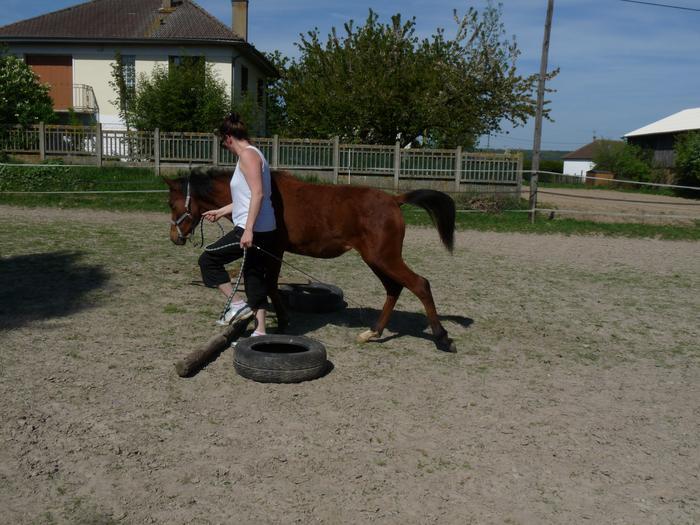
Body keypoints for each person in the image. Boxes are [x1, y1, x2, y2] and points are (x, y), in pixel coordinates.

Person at [198, 113, 277, 336]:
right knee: (253, 276)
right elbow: (246, 197)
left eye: (224, 143)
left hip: (251, 229)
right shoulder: (254, 154)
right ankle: (260, 330)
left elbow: (259, 194)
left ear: (229, 137)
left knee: (208, 259)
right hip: (263, 228)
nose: (226, 147)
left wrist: (248, 229)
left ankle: (237, 305)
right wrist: (221, 210)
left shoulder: (247, 156)